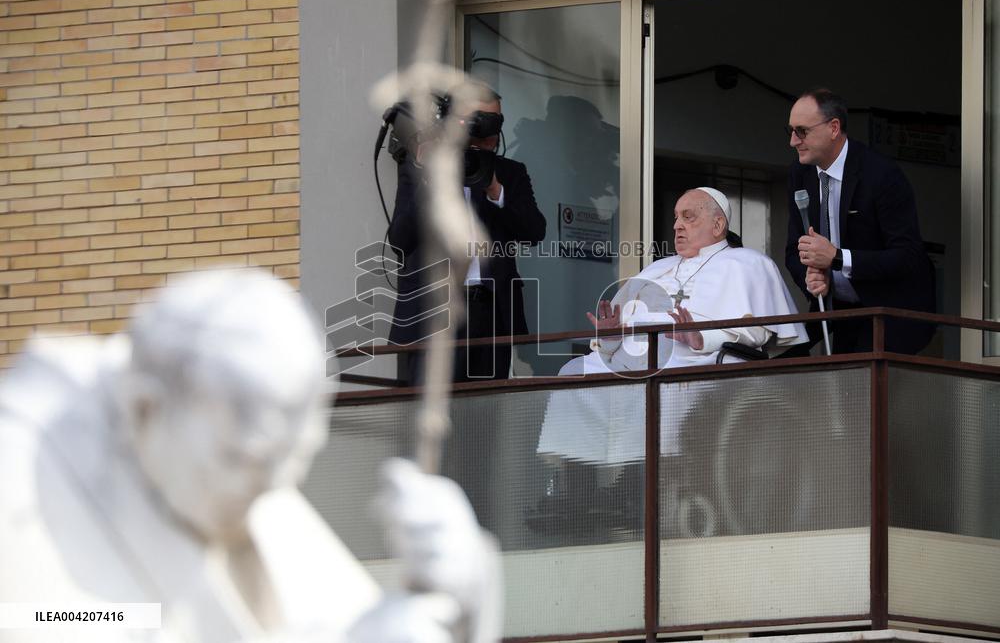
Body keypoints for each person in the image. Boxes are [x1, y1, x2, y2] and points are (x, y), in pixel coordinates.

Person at [0, 269, 501, 643]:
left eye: (294, 459)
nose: (274, 489)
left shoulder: (218, 456)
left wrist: (452, 597)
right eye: (249, 462)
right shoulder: (17, 475)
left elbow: (319, 619)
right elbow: (70, 620)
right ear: (146, 408)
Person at [536, 188, 808, 466]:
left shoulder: (749, 264)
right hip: (636, 355)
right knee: (575, 373)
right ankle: (575, 478)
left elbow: (758, 332)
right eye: (676, 218)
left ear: (718, 225)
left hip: (697, 358)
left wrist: (701, 337)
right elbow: (623, 333)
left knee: (657, 378)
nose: (677, 225)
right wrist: (612, 336)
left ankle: (641, 475)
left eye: (688, 217)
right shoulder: (657, 268)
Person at [387, 83, 546, 384]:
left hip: (491, 312)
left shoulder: (510, 173)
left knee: (484, 412)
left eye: (496, 121)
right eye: (480, 120)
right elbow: (400, 239)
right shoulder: (421, 168)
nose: (489, 130)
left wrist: (496, 191)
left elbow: (535, 232)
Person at [784, 88, 936, 354]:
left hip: (889, 312)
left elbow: (908, 255)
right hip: (839, 311)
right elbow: (793, 249)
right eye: (791, 131)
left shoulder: (881, 174)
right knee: (789, 359)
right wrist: (810, 279)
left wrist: (838, 258)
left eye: (802, 131)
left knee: (868, 388)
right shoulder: (800, 173)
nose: (793, 141)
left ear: (834, 128)